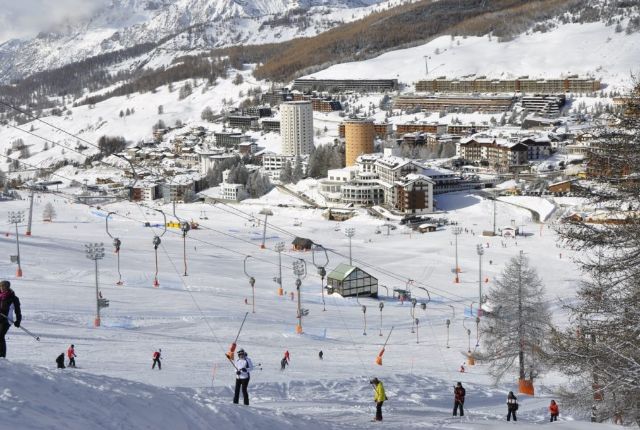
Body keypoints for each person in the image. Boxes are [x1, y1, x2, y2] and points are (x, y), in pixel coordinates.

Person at [0, 280, 22, 358]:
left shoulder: (13, 298)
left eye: (4, 286)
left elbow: (18, 311)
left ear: (8, 287)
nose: (2, 288)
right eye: (1, 286)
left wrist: (18, 320)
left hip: (6, 320)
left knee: (0, 336)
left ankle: (2, 357)